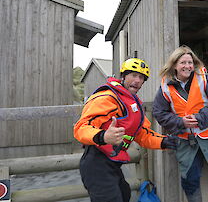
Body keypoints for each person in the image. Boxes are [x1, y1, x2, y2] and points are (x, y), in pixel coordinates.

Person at [74, 58, 178, 202]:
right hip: (96, 163)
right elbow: (81, 127)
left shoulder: (132, 102)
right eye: (133, 75)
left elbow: (142, 134)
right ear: (123, 76)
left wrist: (164, 142)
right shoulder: (107, 97)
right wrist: (103, 136)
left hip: (112, 164)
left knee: (124, 195)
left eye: (141, 77)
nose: (137, 80)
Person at [152, 45, 208, 202]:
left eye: (190, 62)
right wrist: (180, 122)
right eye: (183, 62)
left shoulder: (205, 79)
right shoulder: (165, 86)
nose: (187, 66)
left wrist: (200, 118)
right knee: (190, 179)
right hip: (186, 140)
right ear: (174, 65)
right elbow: (159, 113)